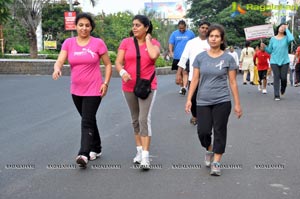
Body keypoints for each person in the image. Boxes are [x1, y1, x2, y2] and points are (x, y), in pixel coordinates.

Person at [52, 12, 112, 168]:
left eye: (87, 25)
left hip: (94, 89)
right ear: (76, 26)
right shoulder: (69, 43)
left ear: (91, 27)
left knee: (86, 121)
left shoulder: (98, 43)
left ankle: (83, 154)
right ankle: (97, 147)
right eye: (81, 25)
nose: (84, 28)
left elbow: (108, 65)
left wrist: (105, 83)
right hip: (76, 90)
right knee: (89, 119)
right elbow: (60, 60)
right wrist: (57, 68)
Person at [185, 24, 242, 176]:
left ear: (222, 39)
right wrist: (189, 99)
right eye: (211, 36)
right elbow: (195, 79)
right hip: (202, 100)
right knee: (203, 131)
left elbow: (233, 82)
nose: (214, 39)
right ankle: (209, 149)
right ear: (208, 38)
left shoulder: (228, 58)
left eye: (217, 36)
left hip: (222, 101)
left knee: (219, 130)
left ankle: (216, 161)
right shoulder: (200, 58)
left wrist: (237, 104)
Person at [115, 15, 160, 170]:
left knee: (143, 119)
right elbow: (118, 62)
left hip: (147, 87)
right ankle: (139, 152)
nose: (134, 28)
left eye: (138, 25)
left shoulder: (154, 43)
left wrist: (148, 40)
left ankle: (146, 157)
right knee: (134, 119)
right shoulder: (126, 42)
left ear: (146, 27)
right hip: (128, 86)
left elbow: (154, 56)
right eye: (133, 25)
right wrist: (122, 73)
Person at [176, 21, 210, 125]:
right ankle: (195, 116)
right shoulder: (191, 43)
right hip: (193, 77)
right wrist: (178, 73)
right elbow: (184, 58)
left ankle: (206, 117)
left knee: (208, 99)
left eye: (206, 28)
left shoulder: (212, 42)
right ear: (198, 29)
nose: (204, 29)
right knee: (194, 98)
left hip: (208, 77)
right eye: (202, 27)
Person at [262, 23, 294, 100]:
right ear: (278, 28)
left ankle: (283, 88)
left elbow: (291, 39)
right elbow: (269, 51)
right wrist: (265, 47)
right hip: (274, 61)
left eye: (284, 27)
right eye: (281, 26)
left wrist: (287, 29)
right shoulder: (272, 39)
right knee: (276, 77)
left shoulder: (287, 38)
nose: (282, 28)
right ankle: (276, 95)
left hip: (284, 61)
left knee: (283, 78)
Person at [169, 20, 195, 95]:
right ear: (178, 27)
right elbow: (171, 43)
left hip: (187, 56)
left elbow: (194, 43)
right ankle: (181, 87)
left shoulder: (191, 33)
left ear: (185, 26)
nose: (181, 30)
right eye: (180, 28)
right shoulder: (174, 34)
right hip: (177, 56)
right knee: (179, 73)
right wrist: (171, 52)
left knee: (185, 72)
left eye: (183, 28)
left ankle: (184, 87)